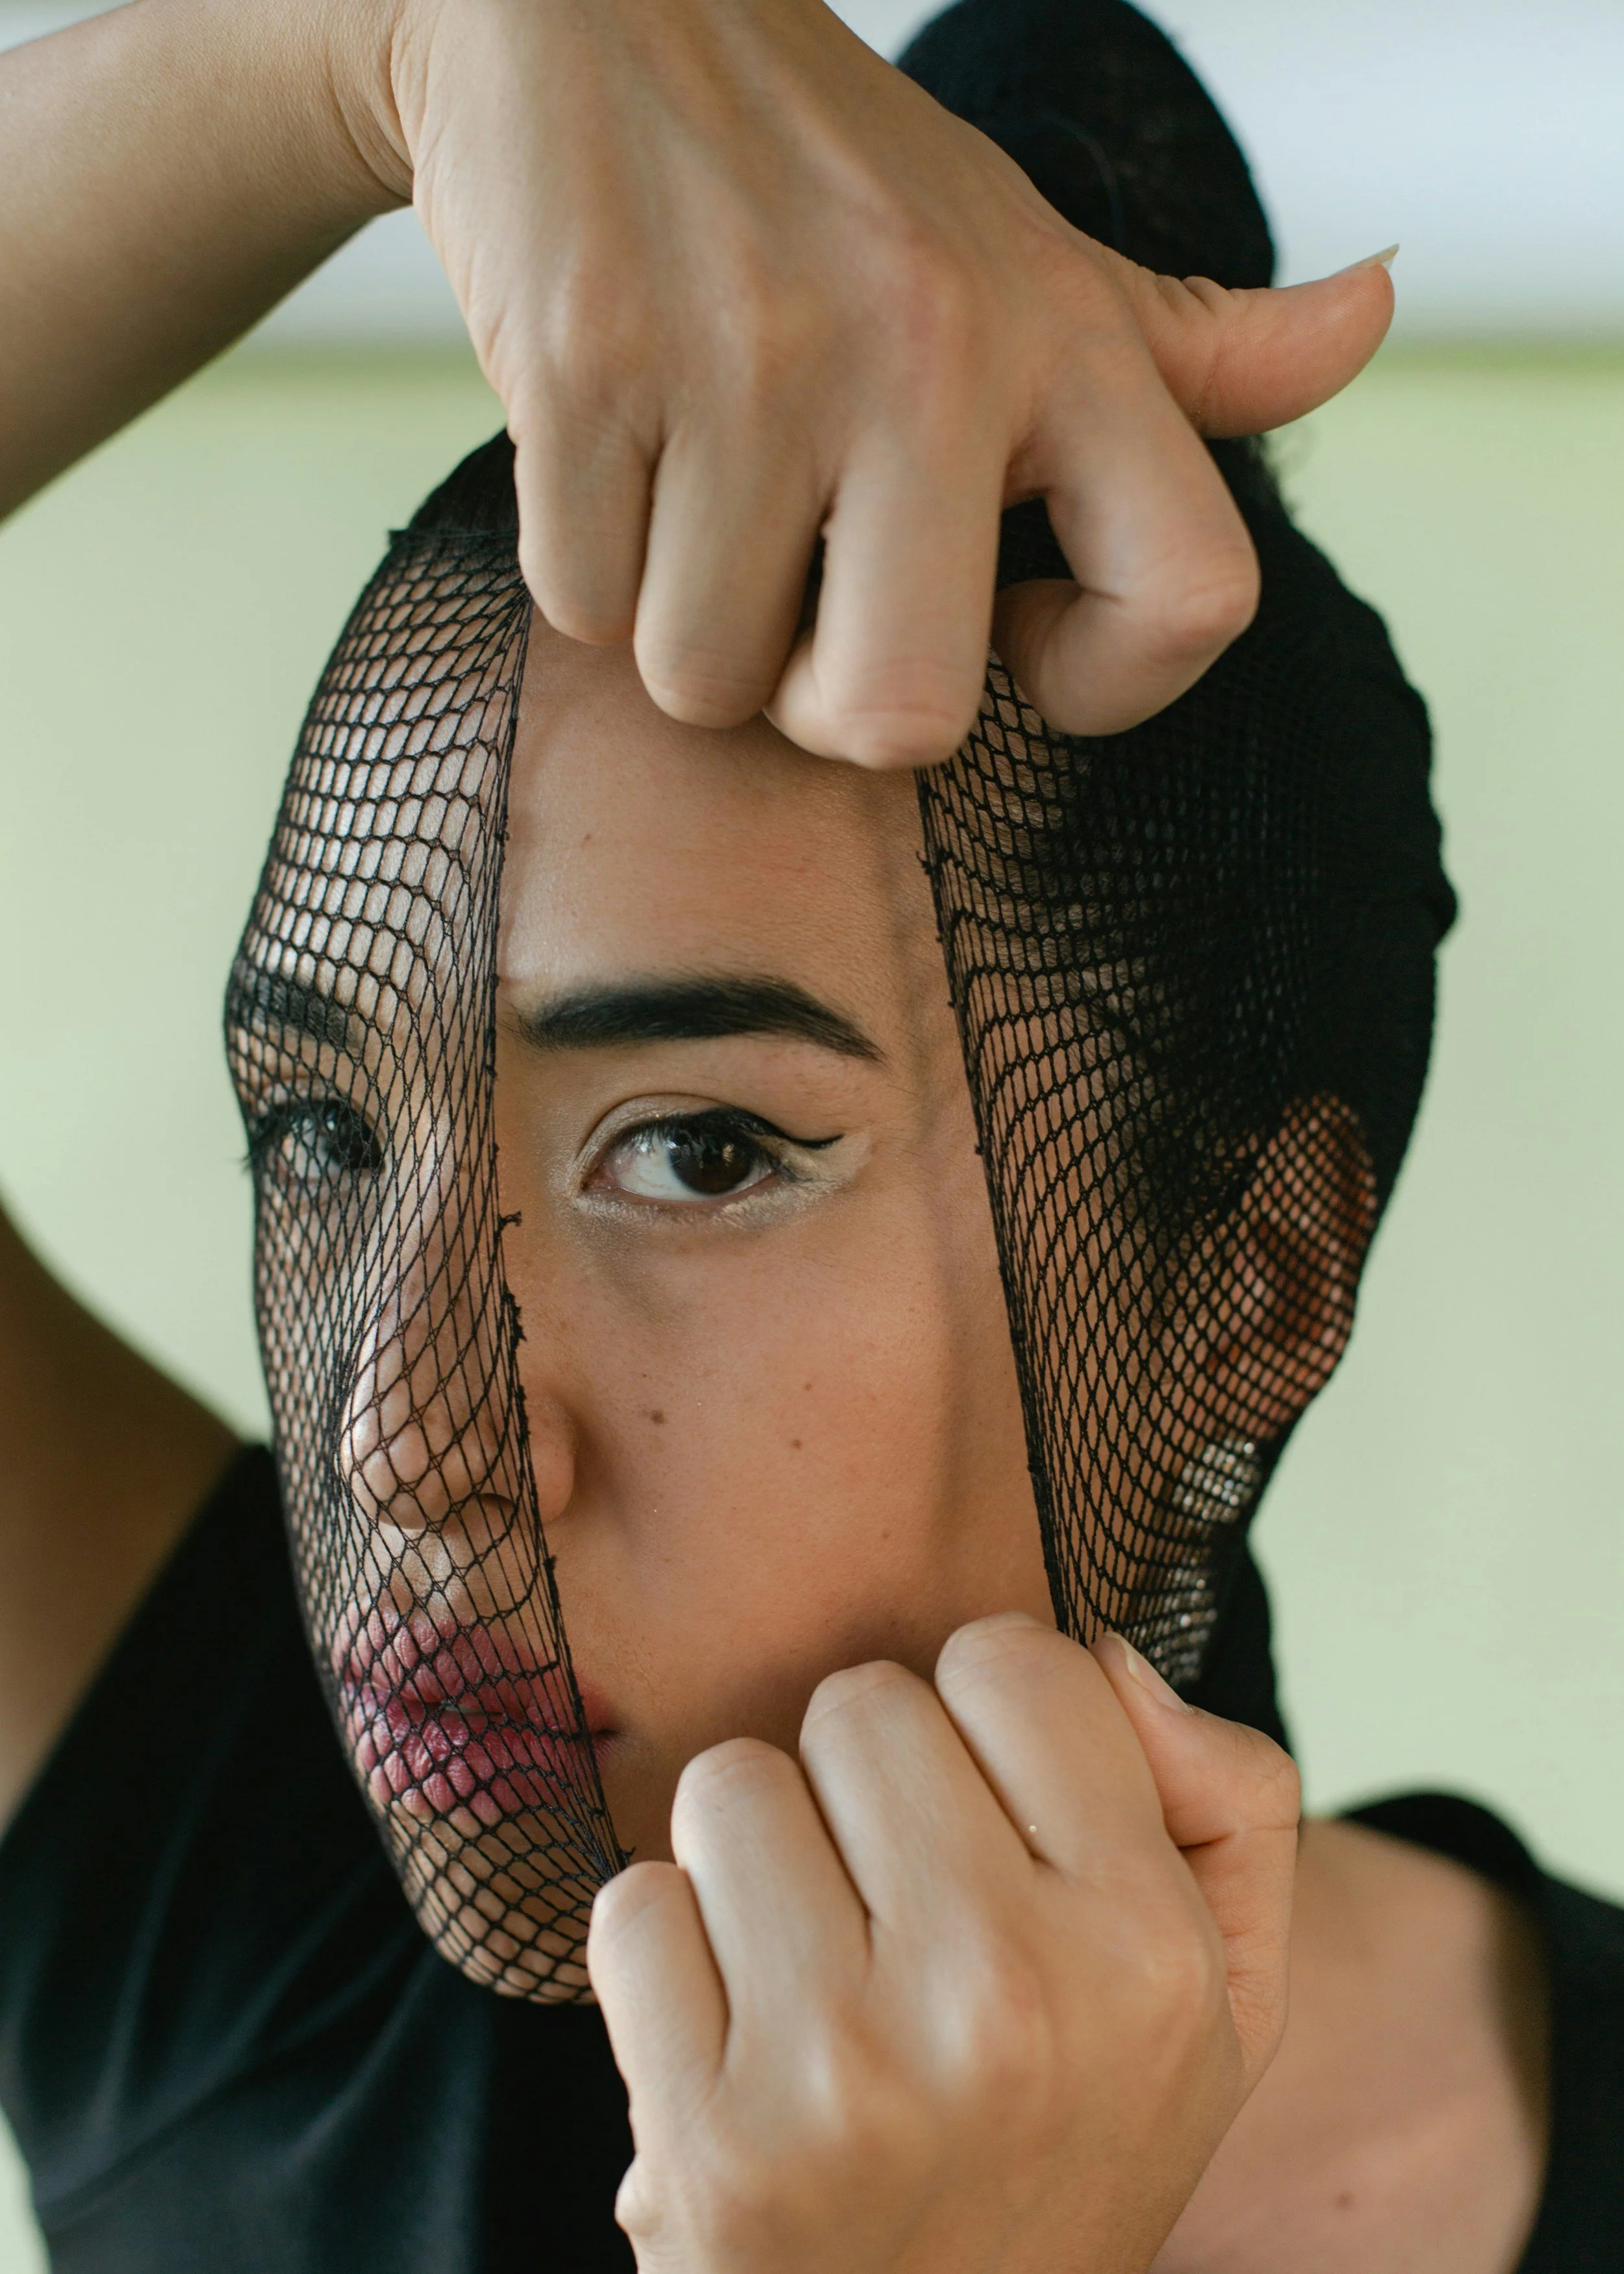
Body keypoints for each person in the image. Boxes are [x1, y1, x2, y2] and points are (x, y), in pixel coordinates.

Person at [1, 2, 1618, 2273]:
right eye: (323, 1135)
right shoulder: (256, 1948)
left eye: (697, 1151)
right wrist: (371, 51)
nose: (404, 1437)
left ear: (1249, 1285)